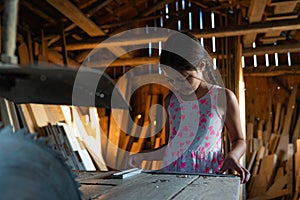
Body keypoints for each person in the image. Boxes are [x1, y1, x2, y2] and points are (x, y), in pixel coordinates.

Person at [129, 31, 250, 184]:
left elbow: (239, 140)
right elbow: (171, 147)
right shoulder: (171, 101)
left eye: (185, 77)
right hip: (170, 177)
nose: (179, 85)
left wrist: (233, 156)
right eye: (172, 80)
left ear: (201, 65)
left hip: (206, 178)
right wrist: (142, 156)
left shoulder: (222, 98)